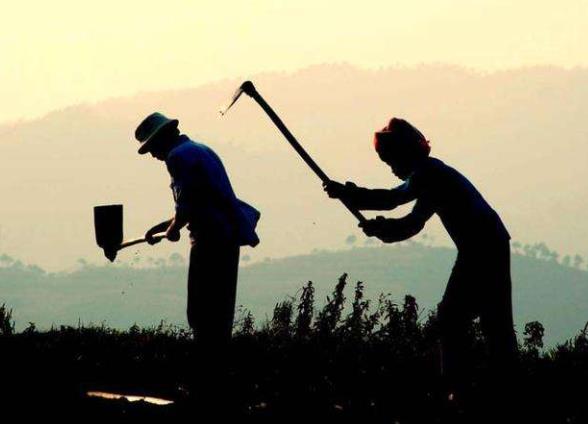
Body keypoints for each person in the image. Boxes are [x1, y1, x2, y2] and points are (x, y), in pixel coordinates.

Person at [324, 117, 518, 401]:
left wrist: (350, 196)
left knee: (457, 317)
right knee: (492, 319)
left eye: (391, 162)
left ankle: (462, 389)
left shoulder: (428, 174)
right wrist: (374, 219)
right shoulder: (432, 175)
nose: (392, 169)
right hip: (489, 244)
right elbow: (408, 218)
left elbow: (397, 205)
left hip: (482, 247)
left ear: (404, 154)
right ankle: (498, 387)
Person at [134, 112, 260, 403]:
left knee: (203, 313)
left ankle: (206, 387)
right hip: (225, 236)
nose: (153, 156)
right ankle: (215, 383)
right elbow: (198, 199)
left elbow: (188, 204)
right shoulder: (199, 150)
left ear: (161, 139)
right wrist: (164, 227)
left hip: (210, 239)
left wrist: (174, 228)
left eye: (151, 149)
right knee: (219, 312)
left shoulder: (177, 157)